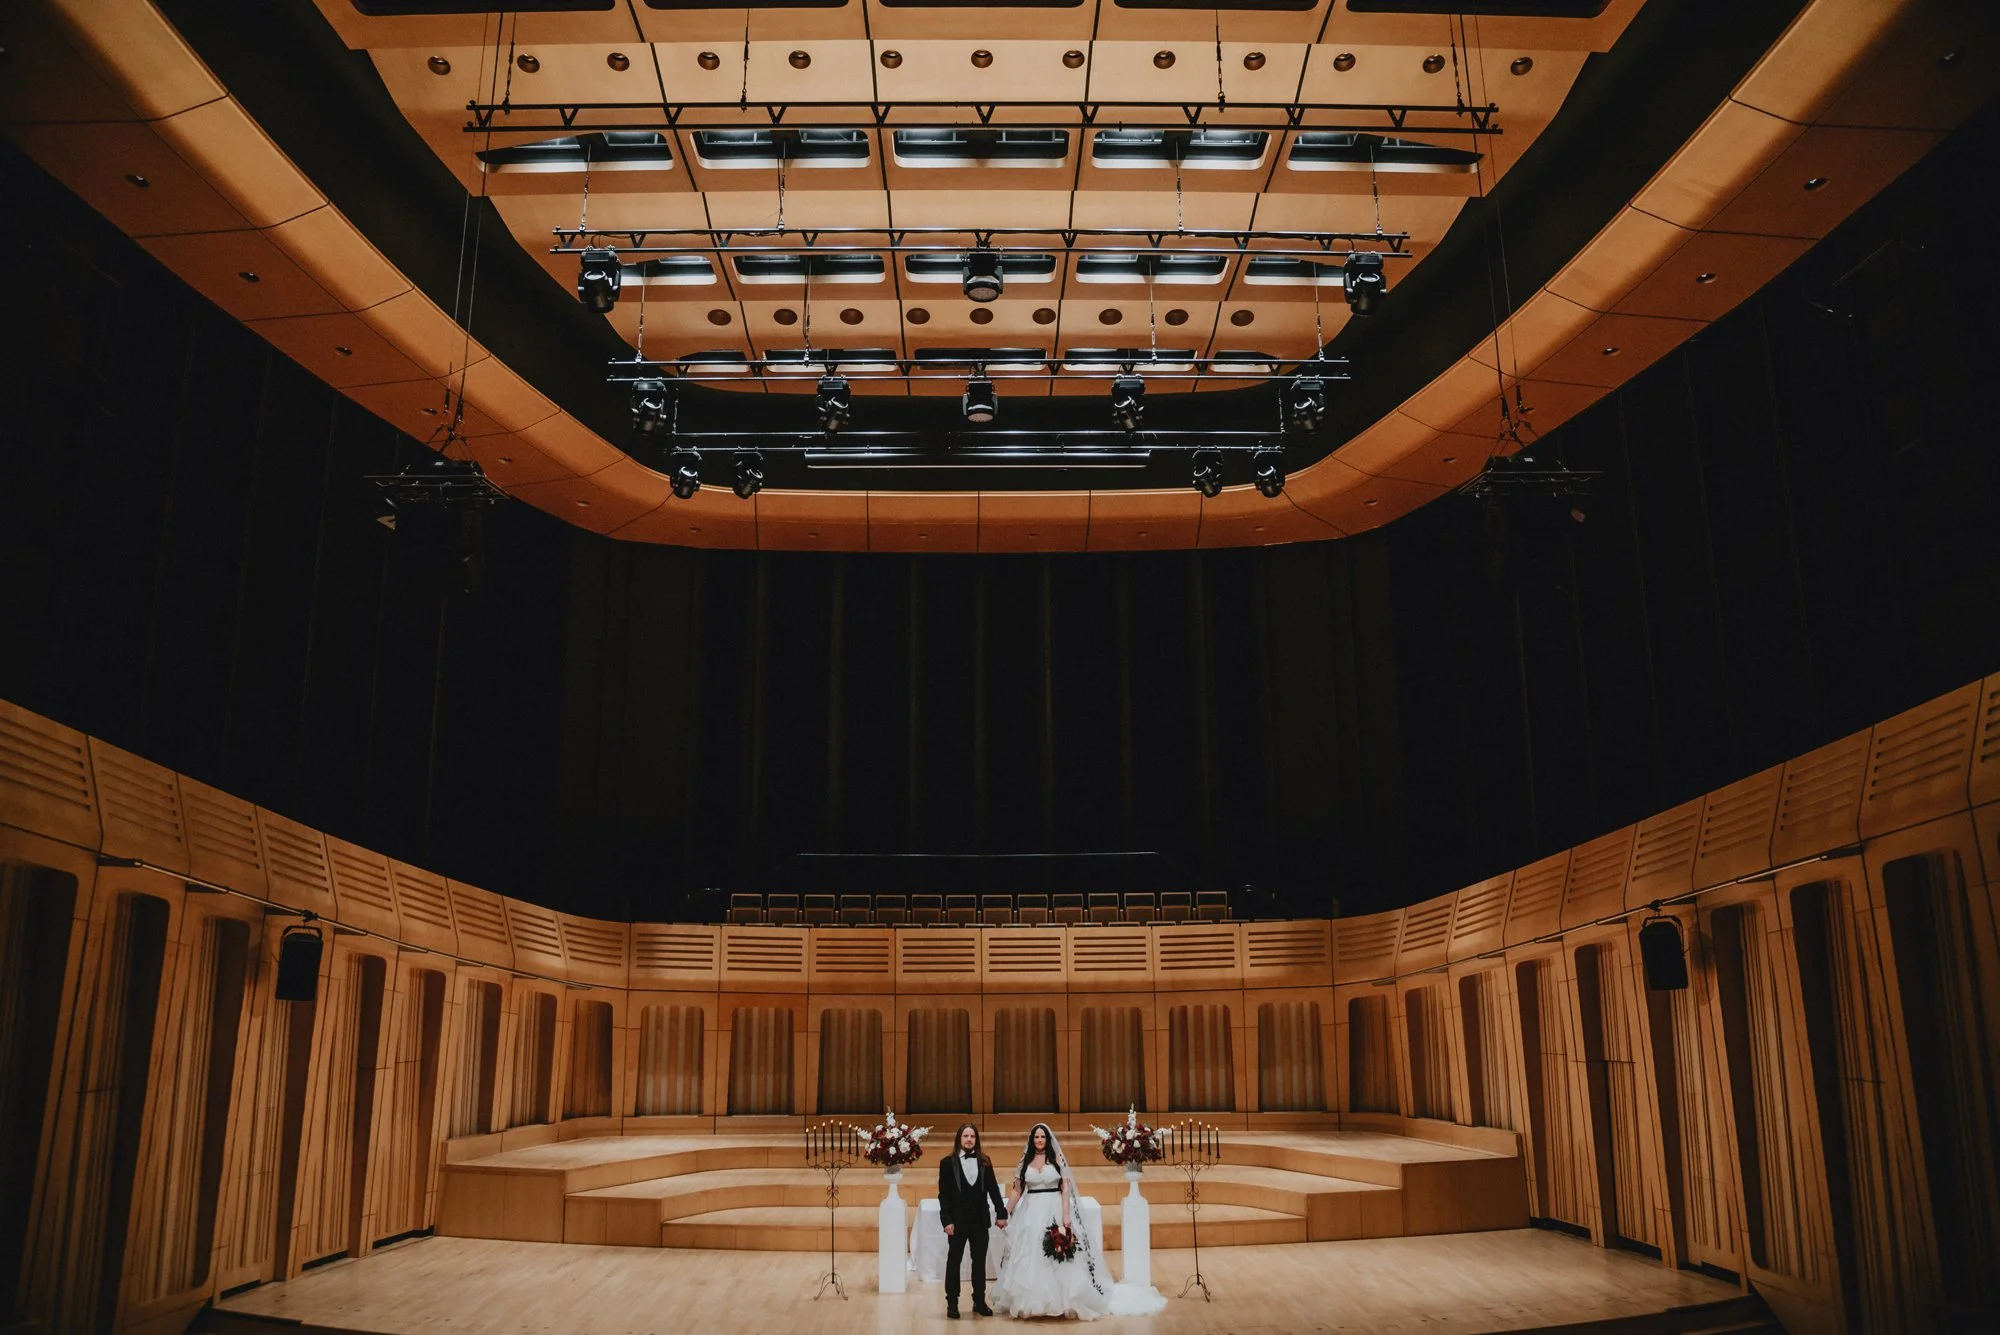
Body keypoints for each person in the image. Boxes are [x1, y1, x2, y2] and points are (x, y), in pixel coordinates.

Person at [989, 1123, 1112, 1321]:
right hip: (1030, 1211)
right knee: (1030, 1254)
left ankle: (1065, 1302)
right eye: (1036, 1137)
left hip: (1053, 1208)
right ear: (1032, 1140)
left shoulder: (1056, 1159)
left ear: (1047, 1139)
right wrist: (1005, 1212)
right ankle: (1031, 1302)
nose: (1039, 1140)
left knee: (1058, 1256)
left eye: (1042, 1137)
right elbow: (1017, 1190)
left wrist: (1065, 1215)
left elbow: (1064, 1188)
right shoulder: (1025, 1161)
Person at [936, 1122, 1008, 1320]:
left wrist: (1001, 1212)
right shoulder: (947, 1163)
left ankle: (979, 1300)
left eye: (972, 1136)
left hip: (979, 1220)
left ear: (976, 1140)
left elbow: (993, 1189)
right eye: (966, 1136)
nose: (969, 1139)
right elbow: (944, 1195)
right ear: (959, 1139)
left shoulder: (985, 1161)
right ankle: (952, 1302)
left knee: (979, 1262)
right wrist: (946, 1221)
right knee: (954, 1261)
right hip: (957, 1222)